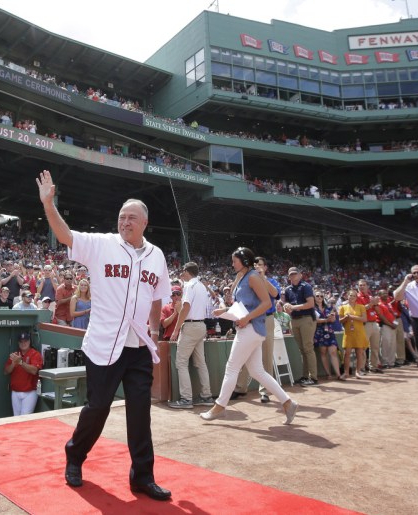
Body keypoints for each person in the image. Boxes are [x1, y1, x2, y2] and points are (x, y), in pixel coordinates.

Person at [37, 170, 172, 501]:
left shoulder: (157, 255)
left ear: (145, 223)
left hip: (138, 344)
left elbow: (157, 296)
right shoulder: (101, 244)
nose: (125, 222)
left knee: (141, 412)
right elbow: (66, 235)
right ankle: (75, 456)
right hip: (103, 344)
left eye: (132, 218)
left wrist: (155, 330)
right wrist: (48, 204)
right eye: (122, 216)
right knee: (97, 407)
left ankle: (142, 476)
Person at [200, 247, 298, 425]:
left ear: (244, 261)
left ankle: (220, 406)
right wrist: (225, 311)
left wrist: (246, 318)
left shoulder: (252, 276)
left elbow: (267, 302)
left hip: (251, 328)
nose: (232, 264)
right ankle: (288, 403)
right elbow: (245, 305)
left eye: (234, 261)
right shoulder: (245, 277)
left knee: (231, 368)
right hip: (252, 328)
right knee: (257, 371)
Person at [234, 256, 281, 401]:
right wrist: (239, 276)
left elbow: (275, 294)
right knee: (243, 354)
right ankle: (240, 387)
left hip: (266, 318)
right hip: (249, 320)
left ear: (265, 267)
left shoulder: (270, 280)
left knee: (266, 354)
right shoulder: (247, 280)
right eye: (254, 264)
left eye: (260, 264)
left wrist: (262, 278)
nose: (257, 267)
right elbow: (232, 294)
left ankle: (265, 391)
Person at [168, 262, 213, 409]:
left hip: (191, 325)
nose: (182, 273)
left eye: (183, 270)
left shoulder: (188, 286)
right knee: (201, 363)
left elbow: (186, 307)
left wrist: (176, 330)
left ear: (188, 271)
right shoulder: (201, 286)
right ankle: (206, 396)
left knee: (181, 362)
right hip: (201, 325)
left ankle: (186, 399)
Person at [283, 267, 318, 385]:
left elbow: (310, 304)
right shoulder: (288, 289)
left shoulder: (306, 286)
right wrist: (287, 307)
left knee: (308, 348)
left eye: (295, 274)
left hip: (306, 318)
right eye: (291, 275)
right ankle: (305, 376)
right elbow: (287, 305)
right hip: (294, 319)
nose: (293, 276)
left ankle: (313, 377)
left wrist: (294, 307)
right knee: (302, 350)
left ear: (300, 275)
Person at [3, 332, 43, 416]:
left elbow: (34, 371)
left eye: (25, 341)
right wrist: (13, 364)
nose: (23, 343)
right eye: (21, 341)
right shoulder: (15, 355)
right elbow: (6, 371)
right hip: (15, 392)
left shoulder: (35, 354)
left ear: (29, 342)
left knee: (25, 419)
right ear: (18, 343)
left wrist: (20, 362)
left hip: (30, 392)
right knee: (16, 418)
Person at [313, 289, 344, 380]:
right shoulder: (312, 309)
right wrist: (326, 320)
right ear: (314, 298)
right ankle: (328, 374)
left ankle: (338, 374)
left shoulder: (328, 308)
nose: (319, 298)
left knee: (333, 352)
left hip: (329, 331)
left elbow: (334, 320)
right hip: (319, 332)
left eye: (321, 296)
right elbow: (315, 320)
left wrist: (332, 318)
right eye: (317, 296)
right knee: (323, 353)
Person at [339, 289, 368, 378]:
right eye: (350, 295)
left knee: (359, 353)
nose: (352, 297)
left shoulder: (361, 307)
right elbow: (340, 320)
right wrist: (346, 318)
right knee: (346, 353)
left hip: (359, 332)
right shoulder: (342, 307)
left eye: (354, 296)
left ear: (356, 298)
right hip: (348, 333)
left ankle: (358, 372)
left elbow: (364, 319)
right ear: (347, 296)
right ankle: (346, 372)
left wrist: (352, 317)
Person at [356, 279, 384, 373]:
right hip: (365, 324)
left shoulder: (370, 296)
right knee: (363, 347)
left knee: (375, 347)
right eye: (360, 285)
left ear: (367, 286)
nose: (362, 287)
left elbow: (378, 311)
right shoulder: (357, 297)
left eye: (364, 285)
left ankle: (374, 366)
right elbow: (360, 310)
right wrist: (372, 303)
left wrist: (375, 304)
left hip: (374, 322)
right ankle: (362, 368)